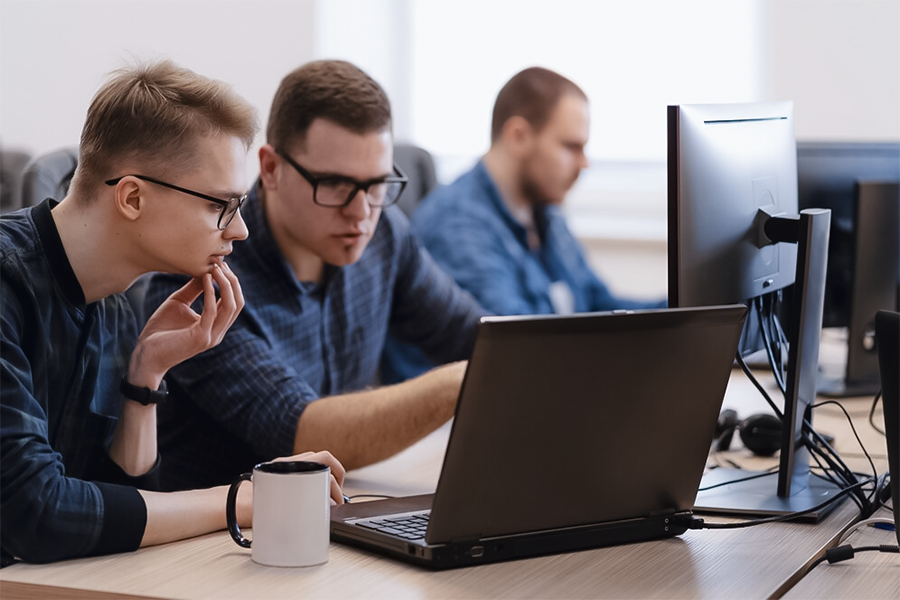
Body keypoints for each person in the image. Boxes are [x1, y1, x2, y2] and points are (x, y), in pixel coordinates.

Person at [0, 60, 345, 565]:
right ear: (133, 197)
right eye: (220, 206)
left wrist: (144, 378)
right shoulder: (8, 282)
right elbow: (38, 515)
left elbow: (114, 505)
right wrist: (244, 497)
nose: (240, 230)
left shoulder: (114, 303)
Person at [143, 60, 484, 492]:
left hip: (323, 519)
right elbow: (303, 435)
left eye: (377, 184)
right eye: (336, 185)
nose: (361, 213)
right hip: (218, 540)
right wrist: (463, 380)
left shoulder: (384, 236)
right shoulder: (200, 276)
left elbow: (477, 335)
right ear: (271, 168)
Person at [381, 66, 666, 382]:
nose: (585, 164)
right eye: (571, 147)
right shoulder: (457, 227)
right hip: (461, 416)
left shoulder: (544, 211)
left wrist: (689, 309)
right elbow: (521, 351)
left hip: (544, 390)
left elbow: (600, 305)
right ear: (518, 136)